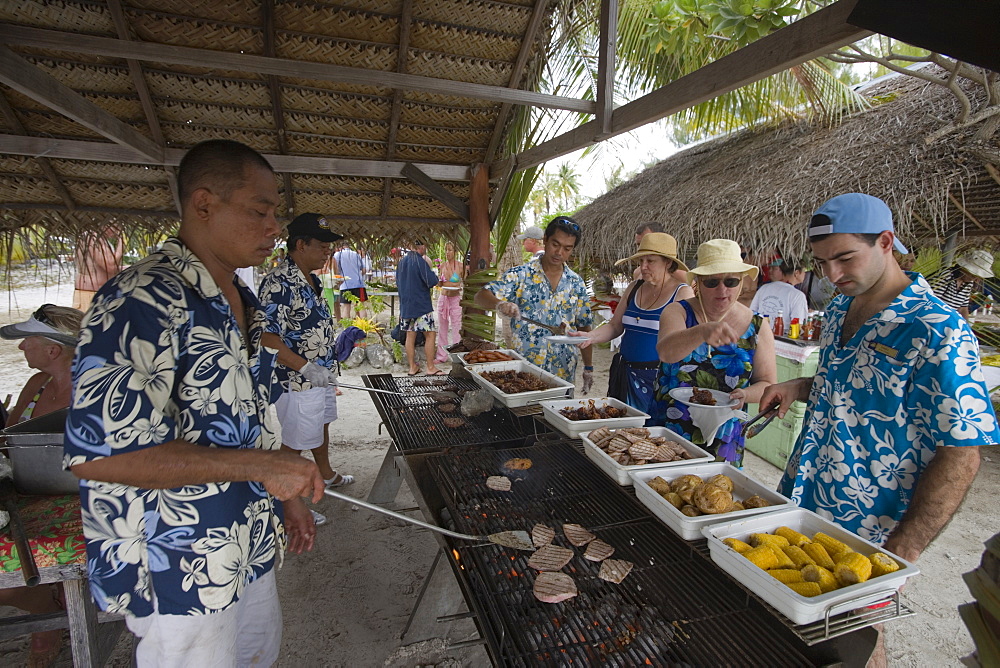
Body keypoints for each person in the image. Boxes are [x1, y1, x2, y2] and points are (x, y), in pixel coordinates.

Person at [63, 139, 325, 666]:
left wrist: (285, 496)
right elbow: (101, 455)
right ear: (204, 204)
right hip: (178, 561)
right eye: (260, 211)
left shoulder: (239, 302)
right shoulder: (141, 299)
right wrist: (263, 465)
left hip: (242, 543)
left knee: (256, 654)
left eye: (276, 213)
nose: (275, 227)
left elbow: (246, 418)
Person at [761, 193, 998, 562]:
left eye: (845, 258)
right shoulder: (839, 308)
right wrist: (797, 386)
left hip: (868, 535)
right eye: (823, 263)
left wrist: (904, 548)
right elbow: (848, 385)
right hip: (799, 498)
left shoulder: (938, 331)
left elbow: (962, 453)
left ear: (885, 242)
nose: (833, 276)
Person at [258, 212, 355, 529]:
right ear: (300, 244)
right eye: (322, 245)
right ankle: (287, 502)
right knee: (295, 441)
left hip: (319, 375)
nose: (328, 251)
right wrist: (307, 368)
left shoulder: (311, 277)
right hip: (297, 381)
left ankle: (325, 474)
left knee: (321, 423)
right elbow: (267, 337)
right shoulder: (279, 283)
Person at [0, 304, 83, 665]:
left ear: (52, 350)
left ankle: (50, 617)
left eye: (27, 341)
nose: (21, 348)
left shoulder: (94, 390)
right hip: (29, 494)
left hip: (85, 501)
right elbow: (9, 439)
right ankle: (49, 608)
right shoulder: (36, 385)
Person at [653, 239, 776, 466]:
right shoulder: (677, 311)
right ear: (698, 282)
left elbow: (767, 384)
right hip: (671, 425)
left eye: (731, 281)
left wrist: (745, 395)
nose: (722, 290)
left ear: (741, 282)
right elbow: (666, 352)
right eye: (712, 282)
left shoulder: (758, 325)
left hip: (725, 435)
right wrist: (701, 332)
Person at [571, 233, 694, 420]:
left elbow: (683, 343)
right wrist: (591, 337)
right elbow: (615, 326)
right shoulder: (634, 287)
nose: (643, 266)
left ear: (668, 263)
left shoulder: (682, 293)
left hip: (657, 381)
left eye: (650, 261)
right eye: (641, 260)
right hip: (625, 374)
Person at [475, 216, 594, 390]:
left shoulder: (576, 284)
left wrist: (588, 368)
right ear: (545, 239)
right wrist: (499, 304)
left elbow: (584, 329)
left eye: (567, 248)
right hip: (524, 372)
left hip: (562, 372)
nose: (559, 252)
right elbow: (481, 295)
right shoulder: (520, 275)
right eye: (555, 244)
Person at [396, 239, 441, 375]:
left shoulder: (401, 262)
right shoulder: (420, 261)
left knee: (410, 336)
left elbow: (398, 282)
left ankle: (412, 367)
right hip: (421, 305)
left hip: (406, 306)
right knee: (430, 334)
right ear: (422, 246)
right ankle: (430, 367)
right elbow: (431, 281)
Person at [928, 249, 994, 321]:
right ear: (964, 268)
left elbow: (963, 308)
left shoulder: (968, 283)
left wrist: (966, 327)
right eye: (973, 274)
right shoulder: (946, 276)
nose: (974, 278)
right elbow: (932, 302)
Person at [750, 257, 809, 334]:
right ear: (797, 273)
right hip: (782, 339)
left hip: (759, 334)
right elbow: (798, 325)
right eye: (804, 271)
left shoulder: (764, 288)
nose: (805, 274)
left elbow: (752, 312)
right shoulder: (797, 295)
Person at [73, 225, 124, 312]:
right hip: (90, 294)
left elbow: (108, 268)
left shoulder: (99, 239)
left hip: (98, 294)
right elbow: (110, 265)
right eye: (116, 226)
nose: (118, 231)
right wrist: (122, 243)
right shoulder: (92, 237)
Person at [435, 241, 465, 363]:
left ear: (455, 252)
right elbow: (440, 283)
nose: (447, 252)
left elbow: (457, 283)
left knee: (457, 327)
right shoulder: (442, 266)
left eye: (450, 250)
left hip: (455, 299)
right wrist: (440, 282)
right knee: (442, 327)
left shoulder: (460, 266)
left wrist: (447, 283)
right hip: (443, 298)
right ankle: (441, 355)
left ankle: (456, 355)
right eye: (446, 250)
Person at [333, 242, 368, 319]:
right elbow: (364, 270)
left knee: (346, 308)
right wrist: (357, 276)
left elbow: (335, 270)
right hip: (358, 284)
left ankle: (347, 328)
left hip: (344, 285)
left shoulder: (337, 255)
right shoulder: (356, 254)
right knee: (361, 306)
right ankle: (364, 327)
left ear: (340, 248)